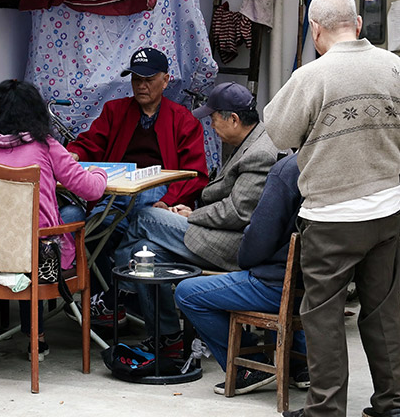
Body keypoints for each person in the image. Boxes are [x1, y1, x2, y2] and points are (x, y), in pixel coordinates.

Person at [263, 0, 400, 417]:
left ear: (315, 30)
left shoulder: (312, 76)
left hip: (330, 219)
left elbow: (279, 134)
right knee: (382, 311)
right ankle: (393, 406)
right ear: (358, 25)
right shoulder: (396, 68)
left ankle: (325, 410)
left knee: (322, 315)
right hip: (385, 213)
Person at [112, 81, 280, 355]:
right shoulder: (246, 140)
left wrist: (194, 215)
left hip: (232, 245)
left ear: (234, 120)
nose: (211, 126)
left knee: (146, 217)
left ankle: (119, 291)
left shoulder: (260, 153)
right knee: (146, 253)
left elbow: (238, 212)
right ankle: (166, 336)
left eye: (213, 119)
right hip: (220, 231)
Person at [63, 47, 209, 324]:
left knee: (141, 232)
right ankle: (109, 302)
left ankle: (118, 299)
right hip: (117, 192)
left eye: (148, 79)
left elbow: (194, 173)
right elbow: (91, 142)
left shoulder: (183, 119)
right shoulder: (115, 110)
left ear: (165, 80)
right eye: (136, 79)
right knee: (94, 235)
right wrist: (74, 154)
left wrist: (167, 201)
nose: (141, 85)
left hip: (159, 194)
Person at [0, 80, 108, 361]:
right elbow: (90, 189)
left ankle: (36, 338)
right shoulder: (45, 146)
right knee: (65, 221)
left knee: (25, 233)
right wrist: (97, 171)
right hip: (40, 261)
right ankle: (47, 331)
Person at [176, 153, 309, 397]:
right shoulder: (329, 163)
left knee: (187, 293)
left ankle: (249, 366)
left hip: (273, 286)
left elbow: (258, 239)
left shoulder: (287, 170)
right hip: (314, 284)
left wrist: (246, 260)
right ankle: (300, 365)